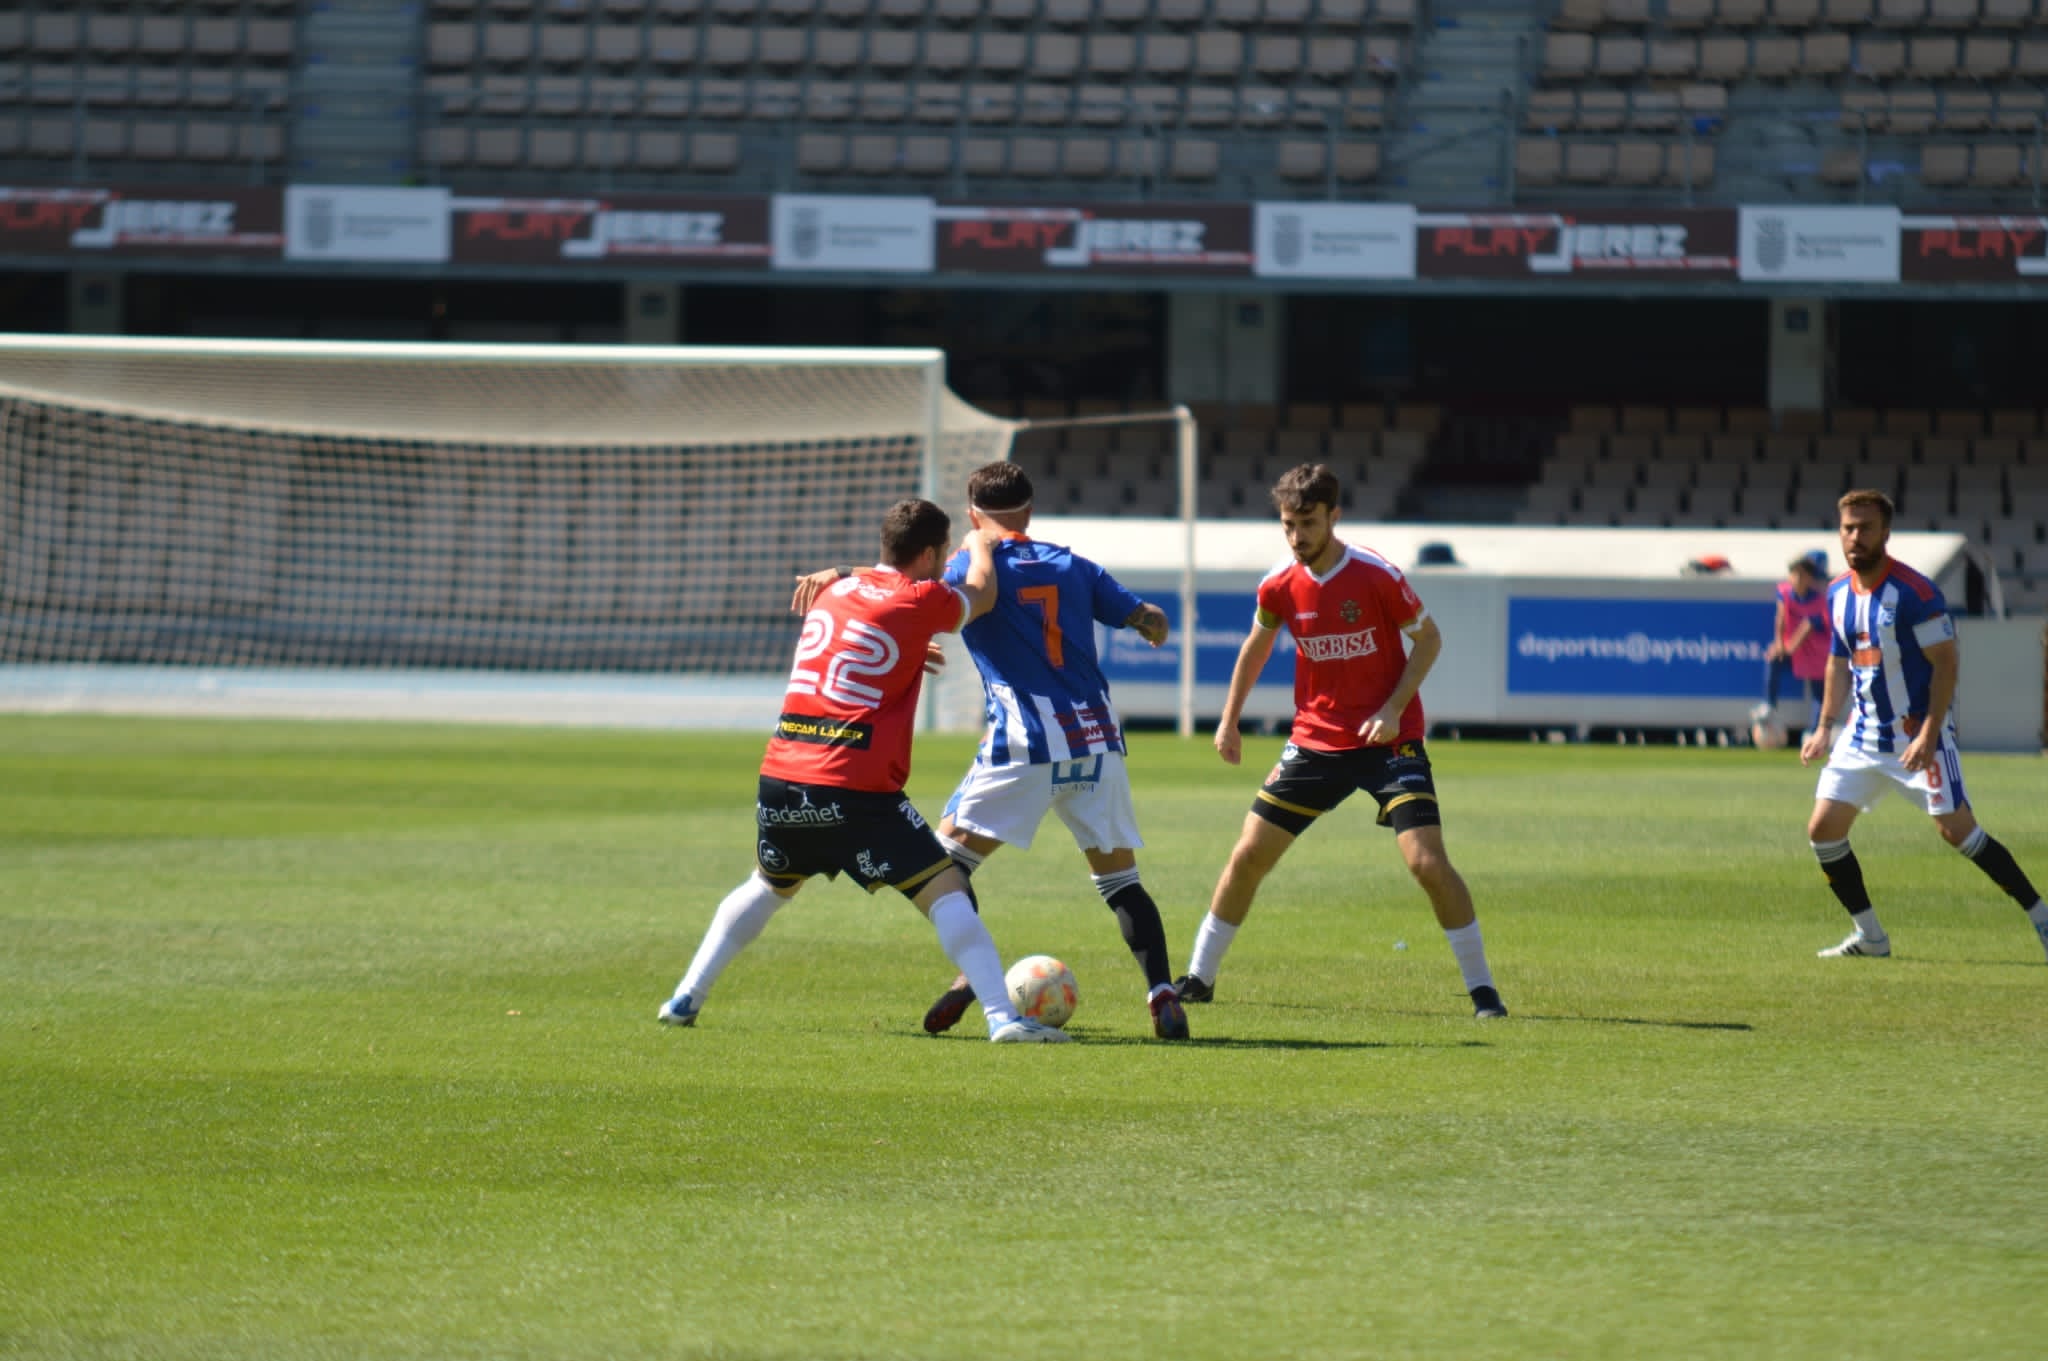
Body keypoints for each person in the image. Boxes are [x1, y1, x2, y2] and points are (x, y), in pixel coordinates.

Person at [793, 462, 1188, 1041]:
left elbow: (903, 581)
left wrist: (842, 571)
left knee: (942, 865)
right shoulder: (1075, 564)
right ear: (1029, 510)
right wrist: (1152, 623)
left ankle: (970, 978)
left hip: (1024, 740)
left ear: (973, 513)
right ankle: (1162, 992)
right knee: (1120, 880)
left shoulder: (970, 565)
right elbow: (1145, 618)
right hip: (1096, 740)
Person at [658, 498, 1070, 1043]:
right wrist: (980, 545)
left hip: (782, 778)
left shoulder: (834, 591)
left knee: (768, 884)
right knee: (946, 889)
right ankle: (1001, 1017)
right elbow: (983, 594)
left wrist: (900, 653)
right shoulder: (921, 596)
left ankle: (686, 996)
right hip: (855, 788)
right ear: (928, 554)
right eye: (943, 551)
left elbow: (851, 654)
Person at [1176, 462, 1507, 1019]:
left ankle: (1483, 992)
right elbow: (1255, 646)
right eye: (1287, 524)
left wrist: (1392, 709)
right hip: (1315, 742)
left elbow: (1428, 640)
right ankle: (1199, 978)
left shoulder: (1376, 574)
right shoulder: (1279, 582)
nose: (1296, 536)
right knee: (1248, 854)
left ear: (1334, 516)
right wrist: (1229, 720)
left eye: (1307, 522)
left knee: (1425, 863)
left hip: (1389, 743)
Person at [1798, 488, 2048, 962]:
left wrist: (1931, 735)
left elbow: (1946, 665)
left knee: (1959, 834)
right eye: (1848, 527)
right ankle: (1871, 936)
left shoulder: (1915, 594)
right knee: (1823, 831)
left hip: (1918, 735)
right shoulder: (1835, 593)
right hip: (1863, 735)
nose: (1855, 536)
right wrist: (1824, 725)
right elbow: (1836, 661)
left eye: (1865, 528)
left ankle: (2041, 915)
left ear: (1885, 533)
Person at [1755, 550, 1830, 740]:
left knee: (1818, 693)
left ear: (1810, 578)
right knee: (1773, 660)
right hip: (1791, 646)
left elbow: (1807, 627)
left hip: (1816, 651)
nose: (1796, 578)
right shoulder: (1785, 592)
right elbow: (1780, 618)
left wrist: (1788, 648)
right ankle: (1768, 705)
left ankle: (1814, 732)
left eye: (1802, 575)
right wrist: (1779, 644)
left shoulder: (1819, 601)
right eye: (1794, 574)